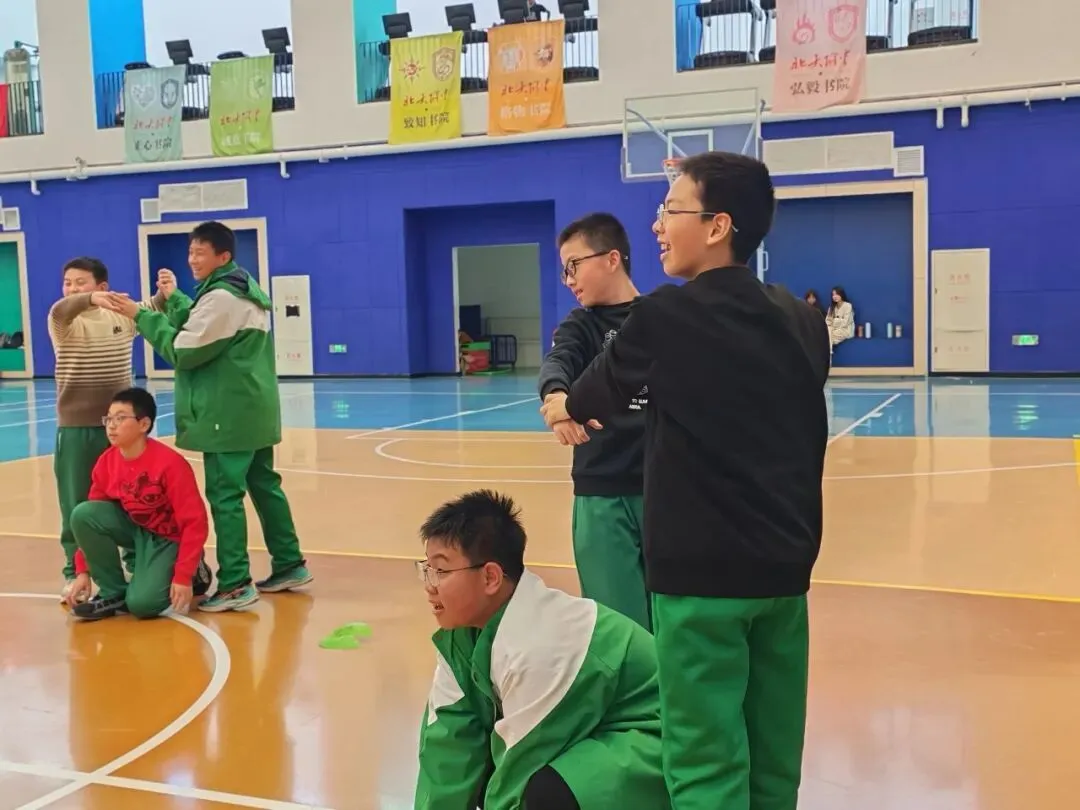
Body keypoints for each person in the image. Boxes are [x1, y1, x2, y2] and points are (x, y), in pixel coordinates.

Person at [541, 151, 830, 810]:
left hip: (701, 579)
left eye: (671, 210)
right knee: (773, 754)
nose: (657, 225)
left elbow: (587, 396)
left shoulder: (665, 318)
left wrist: (561, 405)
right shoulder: (803, 320)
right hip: (785, 572)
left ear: (718, 225)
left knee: (703, 761)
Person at [98, 221, 312, 613]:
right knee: (265, 486)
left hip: (226, 414)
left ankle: (235, 583)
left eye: (201, 252)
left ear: (223, 256)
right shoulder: (239, 288)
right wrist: (174, 297)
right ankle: (289, 563)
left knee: (225, 497)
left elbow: (184, 349)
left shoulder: (222, 297)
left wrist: (139, 314)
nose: (193, 259)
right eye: (191, 252)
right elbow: (201, 323)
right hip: (253, 411)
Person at [414, 490, 670, 810]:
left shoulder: (541, 645)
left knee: (544, 793)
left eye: (441, 571)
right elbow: (448, 751)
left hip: (656, 743)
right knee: (483, 771)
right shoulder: (460, 640)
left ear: (491, 577)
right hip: (591, 737)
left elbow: (517, 782)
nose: (429, 585)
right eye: (426, 569)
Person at [46, 258, 208, 601]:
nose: (72, 289)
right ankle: (76, 572)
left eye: (81, 282)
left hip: (125, 429)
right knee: (78, 504)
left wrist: (164, 292)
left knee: (132, 495)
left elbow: (149, 309)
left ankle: (140, 561)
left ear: (103, 286)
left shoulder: (121, 314)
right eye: (68, 282)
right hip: (77, 428)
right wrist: (88, 299)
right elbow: (61, 310)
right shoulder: (64, 321)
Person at [537, 213, 650, 630]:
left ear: (611, 258)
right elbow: (558, 361)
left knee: (675, 620)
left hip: (666, 489)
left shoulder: (659, 317)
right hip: (603, 492)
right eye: (564, 270)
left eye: (574, 265)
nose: (569, 279)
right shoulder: (581, 325)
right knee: (618, 625)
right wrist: (557, 399)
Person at [65, 388, 209, 621]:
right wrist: (82, 570)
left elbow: (195, 523)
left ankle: (196, 570)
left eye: (120, 418)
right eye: (109, 418)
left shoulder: (170, 464)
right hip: (135, 529)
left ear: (144, 424)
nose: (111, 426)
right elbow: (92, 517)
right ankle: (113, 592)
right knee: (83, 514)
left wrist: (183, 576)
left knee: (143, 605)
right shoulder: (106, 462)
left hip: (167, 539)